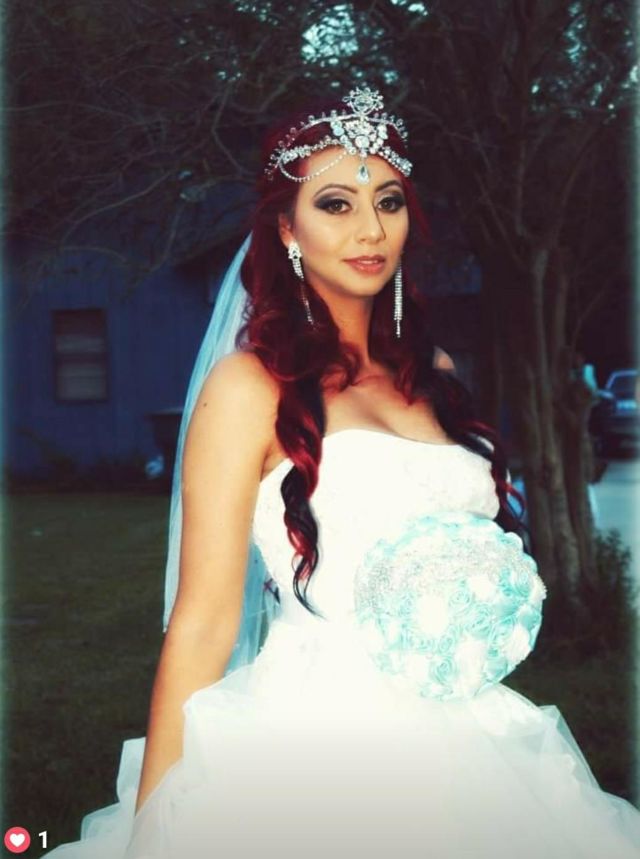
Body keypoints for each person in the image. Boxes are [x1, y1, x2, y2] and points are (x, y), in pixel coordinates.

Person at [42, 85, 640, 859]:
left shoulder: (433, 372)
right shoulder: (249, 388)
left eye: (388, 202)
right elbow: (203, 622)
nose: (371, 229)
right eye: (336, 204)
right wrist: (152, 829)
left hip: (470, 733)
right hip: (314, 737)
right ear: (287, 229)